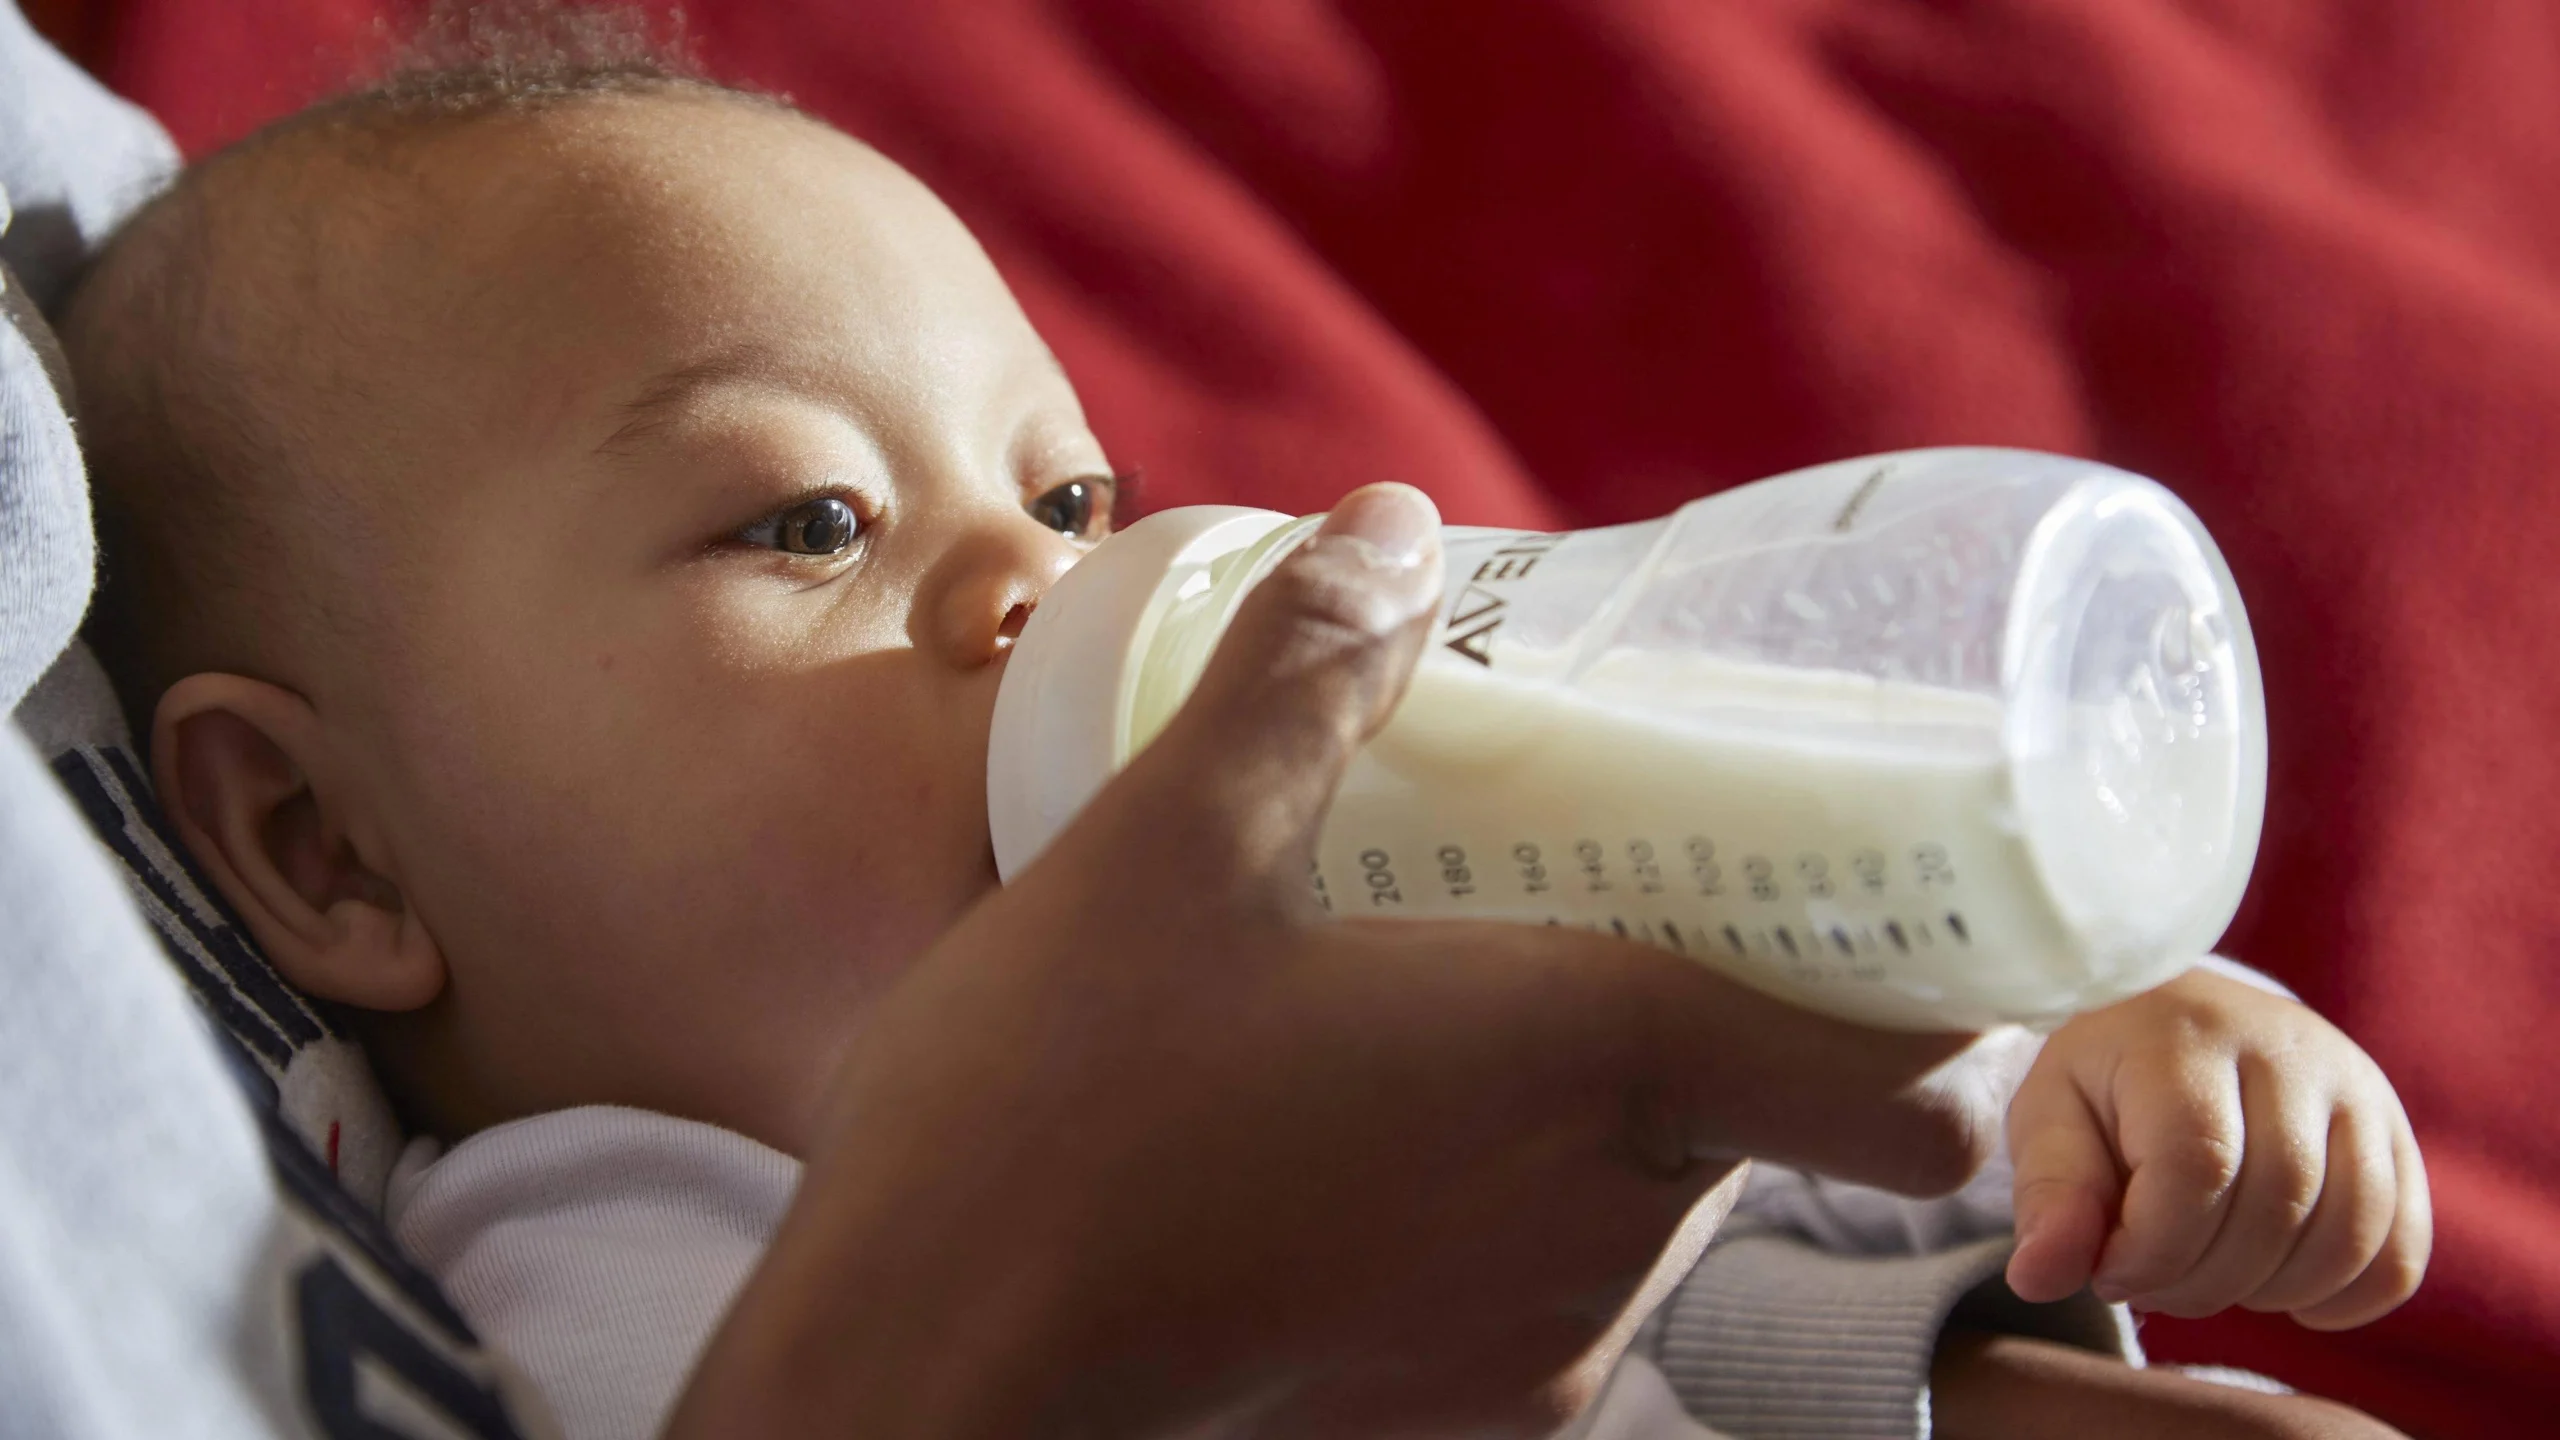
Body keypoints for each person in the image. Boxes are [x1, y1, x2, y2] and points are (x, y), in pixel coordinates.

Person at [55, 27, 2423, 1439]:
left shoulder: (1325, 975)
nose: (1037, 590)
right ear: (327, 848)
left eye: (1066, 494)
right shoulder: (631, 1266)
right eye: (808, 519)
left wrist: (2083, 1067)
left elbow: (1734, 1168)